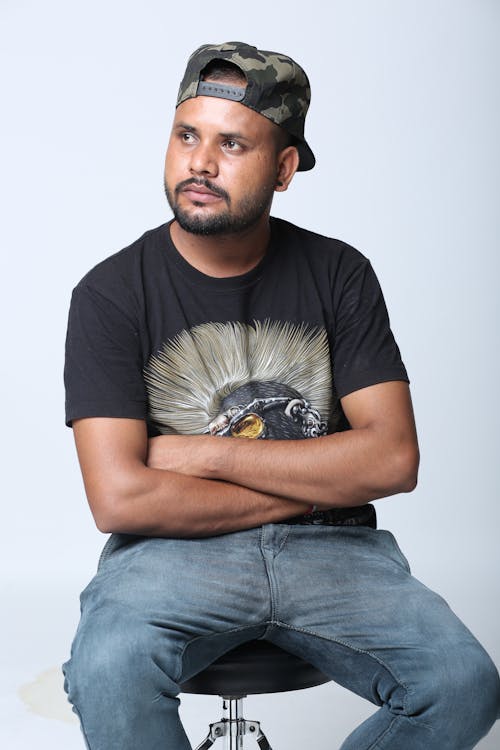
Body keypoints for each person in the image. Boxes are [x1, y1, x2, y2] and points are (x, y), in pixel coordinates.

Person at [62, 41, 500, 749]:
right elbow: (121, 498)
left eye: (232, 143)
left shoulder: (340, 273)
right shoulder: (111, 293)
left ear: (285, 167)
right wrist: (325, 478)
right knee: (107, 669)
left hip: (338, 557)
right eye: (186, 136)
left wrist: (196, 456)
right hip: (170, 557)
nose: (200, 163)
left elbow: (392, 461)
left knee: (462, 684)